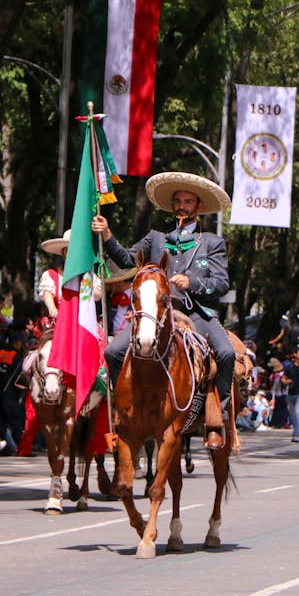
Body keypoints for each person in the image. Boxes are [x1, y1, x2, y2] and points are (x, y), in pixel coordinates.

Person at [92, 171, 234, 451]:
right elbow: (126, 261)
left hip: (194, 313)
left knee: (227, 353)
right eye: (177, 201)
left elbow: (221, 283)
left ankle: (218, 418)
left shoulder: (212, 243)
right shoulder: (155, 238)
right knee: (113, 352)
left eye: (188, 201)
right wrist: (108, 235)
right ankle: (124, 411)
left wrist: (191, 282)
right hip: (155, 314)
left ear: (198, 207)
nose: (182, 206)